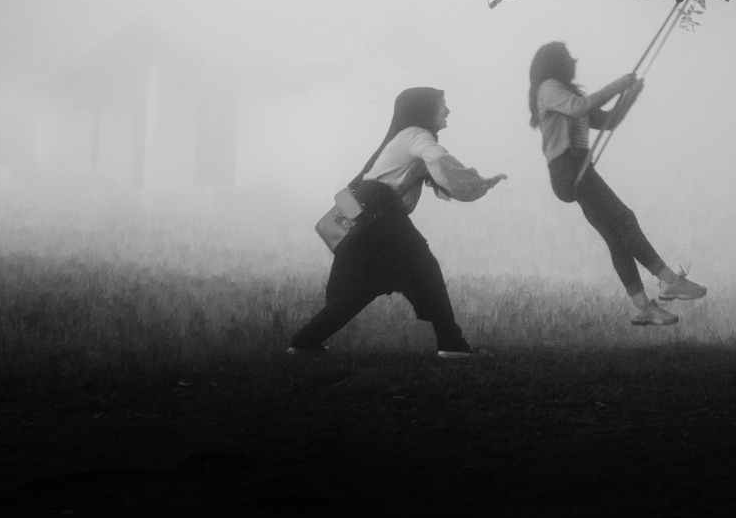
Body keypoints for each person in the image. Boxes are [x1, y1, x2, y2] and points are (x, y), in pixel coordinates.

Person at [290, 86, 504, 357]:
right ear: (425, 110)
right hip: (383, 214)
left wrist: (480, 183)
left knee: (363, 287)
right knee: (425, 269)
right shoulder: (417, 135)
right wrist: (477, 182)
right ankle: (452, 344)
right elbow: (438, 158)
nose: (448, 110)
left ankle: (304, 342)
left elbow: (436, 175)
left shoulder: (406, 137)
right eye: (442, 104)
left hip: (371, 214)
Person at [528, 40, 707, 326]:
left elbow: (608, 121)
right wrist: (619, 84)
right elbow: (581, 106)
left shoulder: (562, 94)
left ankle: (645, 308)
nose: (574, 61)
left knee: (616, 236)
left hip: (575, 169)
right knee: (625, 219)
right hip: (568, 169)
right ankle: (669, 281)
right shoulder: (548, 88)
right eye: (568, 57)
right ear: (556, 63)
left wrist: (630, 95)